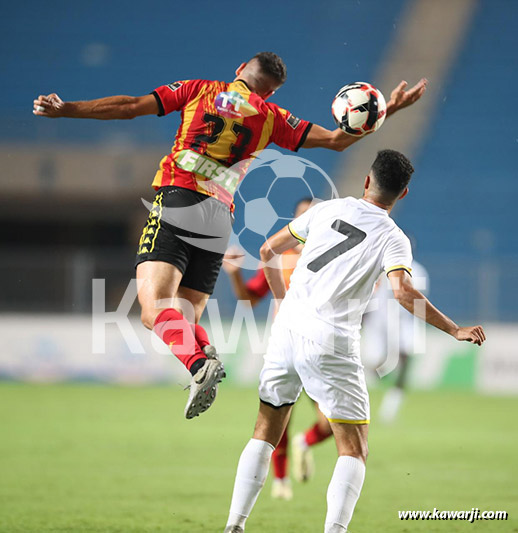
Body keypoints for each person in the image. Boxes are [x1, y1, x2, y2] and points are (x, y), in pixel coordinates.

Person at [33, 52, 427, 419]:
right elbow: (338, 140)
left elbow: (130, 107)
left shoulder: (199, 90)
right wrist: (384, 109)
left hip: (179, 196)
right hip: (219, 216)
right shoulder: (272, 116)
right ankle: (203, 356)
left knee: (154, 310)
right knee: (185, 316)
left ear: (240, 68)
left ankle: (200, 365)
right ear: (270, 91)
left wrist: (67, 109)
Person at [223, 149, 485, 533]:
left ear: (366, 180)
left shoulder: (324, 209)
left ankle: (234, 525)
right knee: (354, 446)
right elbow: (403, 292)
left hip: (286, 332)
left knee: (265, 430)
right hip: (331, 340)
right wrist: (454, 329)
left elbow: (267, 251)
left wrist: (282, 299)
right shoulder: (393, 238)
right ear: (404, 194)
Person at [223, 197, 333, 500]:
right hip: (286, 347)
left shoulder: (335, 258)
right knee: (278, 416)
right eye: (304, 216)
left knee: (332, 422)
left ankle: (305, 443)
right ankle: (281, 481)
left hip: (322, 349)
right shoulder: (279, 258)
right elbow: (249, 299)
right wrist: (234, 273)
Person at [363, 258, 430, 423]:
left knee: (405, 362)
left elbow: (420, 300)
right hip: (379, 321)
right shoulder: (380, 269)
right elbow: (370, 295)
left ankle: (391, 407)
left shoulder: (418, 271)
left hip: (405, 322)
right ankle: (363, 400)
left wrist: (418, 321)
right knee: (374, 364)